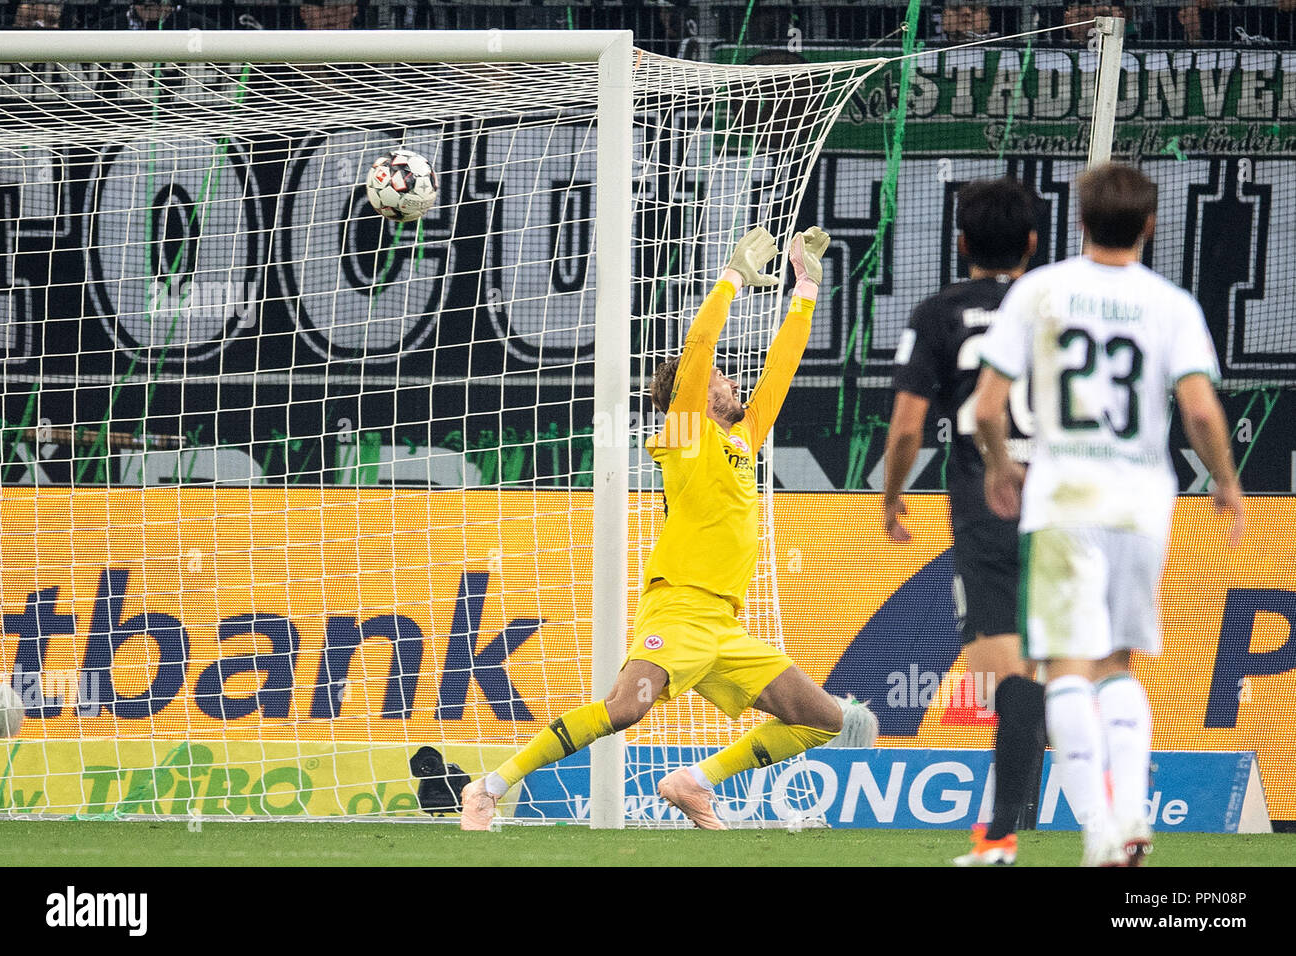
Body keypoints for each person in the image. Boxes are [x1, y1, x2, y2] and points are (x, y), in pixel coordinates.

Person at [460, 226, 878, 831]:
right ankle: (488, 788)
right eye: (722, 379)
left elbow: (781, 372)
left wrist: (806, 286)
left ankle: (692, 781)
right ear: (696, 392)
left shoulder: (741, 439)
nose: (735, 381)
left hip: (724, 624)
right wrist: (731, 277)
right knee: (626, 708)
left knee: (822, 718)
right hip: (678, 608)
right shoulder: (686, 434)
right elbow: (702, 342)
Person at [973, 162, 1244, 866]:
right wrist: (1225, 481)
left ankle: (1098, 832)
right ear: (1150, 225)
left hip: (1063, 499)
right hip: (1139, 505)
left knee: (1064, 666)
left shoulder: (1042, 289)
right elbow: (1199, 409)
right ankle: (1130, 819)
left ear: (1080, 221)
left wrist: (1001, 466)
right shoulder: (1171, 304)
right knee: (1118, 662)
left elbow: (987, 405)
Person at [884, 176, 1045, 866]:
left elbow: (907, 428)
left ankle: (1004, 831)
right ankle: (1075, 810)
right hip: (1070, 497)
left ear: (961, 243)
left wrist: (892, 493)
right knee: (1064, 661)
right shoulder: (1059, 306)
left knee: (1005, 664)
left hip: (988, 500)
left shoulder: (939, 312)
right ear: (1033, 244)